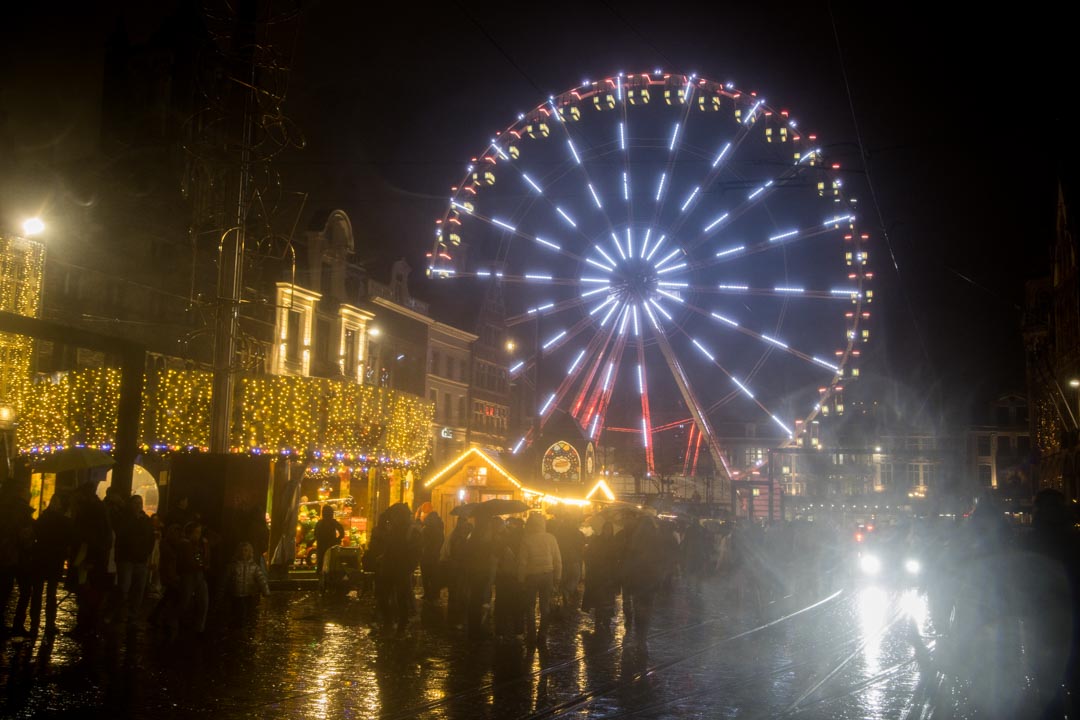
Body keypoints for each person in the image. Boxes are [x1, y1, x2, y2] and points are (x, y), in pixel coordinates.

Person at [22, 493, 74, 636]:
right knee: (50, 594)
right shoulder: (65, 521)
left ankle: (35, 624)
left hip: (40, 558)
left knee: (38, 593)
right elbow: (69, 541)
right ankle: (49, 624)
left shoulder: (43, 519)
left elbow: (34, 535)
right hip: (54, 560)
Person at [517, 513, 562, 647]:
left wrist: (520, 579)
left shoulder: (526, 540)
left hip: (532, 576)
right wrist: (557, 578)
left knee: (530, 607)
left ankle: (531, 635)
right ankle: (542, 635)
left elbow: (522, 563)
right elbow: (558, 560)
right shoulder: (551, 538)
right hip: (547, 575)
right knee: (545, 606)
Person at [114, 494, 156, 627]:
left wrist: (147, 554)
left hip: (140, 559)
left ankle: (132, 615)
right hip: (126, 558)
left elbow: (150, 538)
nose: (138, 506)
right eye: (136, 503)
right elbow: (121, 533)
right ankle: (120, 612)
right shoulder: (124, 518)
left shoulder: (145, 520)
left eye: (140, 503)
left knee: (138, 589)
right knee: (124, 588)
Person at [581, 521, 618, 635]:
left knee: (608, 600)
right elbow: (589, 555)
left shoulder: (614, 542)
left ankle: (606, 621)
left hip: (609, 576)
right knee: (599, 599)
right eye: (606, 529)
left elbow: (617, 557)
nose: (607, 531)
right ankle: (598, 621)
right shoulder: (597, 541)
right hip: (597, 575)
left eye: (609, 529)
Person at [223, 541, 270, 627]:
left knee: (248, 613)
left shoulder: (254, 566)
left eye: (246, 550)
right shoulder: (233, 566)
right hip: (236, 595)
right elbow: (225, 580)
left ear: (249, 552)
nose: (243, 553)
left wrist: (266, 591)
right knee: (238, 613)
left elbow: (261, 579)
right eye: (242, 550)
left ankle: (246, 629)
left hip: (249, 594)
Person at [313, 505, 344, 585]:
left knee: (322, 562)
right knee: (329, 563)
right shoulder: (332, 522)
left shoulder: (320, 523)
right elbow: (342, 531)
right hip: (329, 546)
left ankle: (322, 580)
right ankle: (326, 580)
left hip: (324, 546)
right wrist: (338, 539)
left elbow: (315, 534)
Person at [420, 511, 445, 603]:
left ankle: (432, 594)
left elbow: (439, 542)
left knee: (430, 576)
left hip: (431, 556)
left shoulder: (435, 530)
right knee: (429, 576)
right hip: (429, 556)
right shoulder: (430, 530)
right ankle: (431, 594)